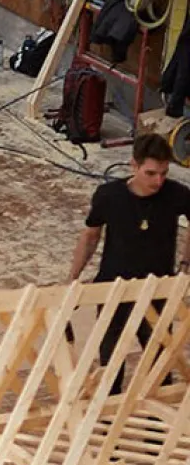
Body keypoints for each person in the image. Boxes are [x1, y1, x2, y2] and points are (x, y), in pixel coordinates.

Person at [69, 132, 190, 391]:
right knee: (110, 363)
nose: (158, 180)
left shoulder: (176, 194)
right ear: (134, 165)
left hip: (156, 289)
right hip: (114, 288)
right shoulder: (109, 196)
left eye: (163, 173)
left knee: (158, 363)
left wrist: (185, 264)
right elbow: (91, 236)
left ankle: (157, 429)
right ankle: (105, 422)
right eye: (151, 173)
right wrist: (73, 278)